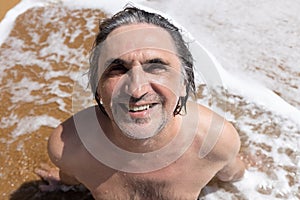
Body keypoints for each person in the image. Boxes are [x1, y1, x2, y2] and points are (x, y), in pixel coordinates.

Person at [36, 6, 247, 200]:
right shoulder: (70, 147)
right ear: (98, 87)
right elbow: (71, 176)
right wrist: (63, 183)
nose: (136, 90)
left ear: (183, 82)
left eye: (155, 66)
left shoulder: (215, 143)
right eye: (117, 69)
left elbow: (233, 174)